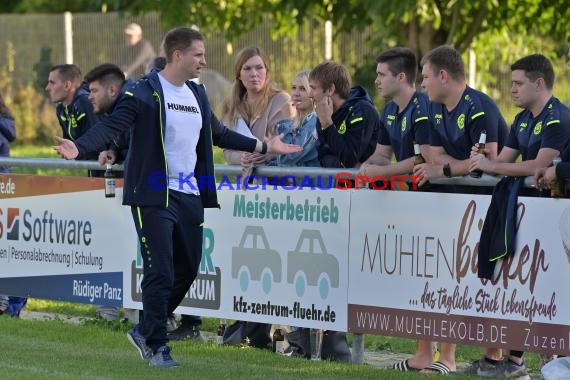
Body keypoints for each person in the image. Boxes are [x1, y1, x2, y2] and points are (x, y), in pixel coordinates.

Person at [54, 26, 301, 368]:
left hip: (189, 194)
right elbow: (113, 126)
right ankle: (157, 345)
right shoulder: (144, 91)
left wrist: (263, 146)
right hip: (153, 194)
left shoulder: (197, 93)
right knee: (162, 271)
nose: (204, 60)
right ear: (177, 56)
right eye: (198, 54)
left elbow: (218, 133)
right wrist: (79, 146)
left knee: (188, 267)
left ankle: (145, 328)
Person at [411, 45, 508, 376]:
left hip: (488, 207)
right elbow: (434, 156)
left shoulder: (479, 108)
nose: (421, 84)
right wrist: (455, 166)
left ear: (443, 76)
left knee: (487, 280)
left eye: (425, 77)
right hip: (453, 203)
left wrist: (448, 169)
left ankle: (496, 357)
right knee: (449, 279)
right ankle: (452, 356)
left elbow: (486, 163)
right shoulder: (436, 108)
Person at [471, 55, 570, 380]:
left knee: (551, 291)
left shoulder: (557, 118)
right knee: (525, 288)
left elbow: (534, 166)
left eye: (517, 83)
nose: (511, 89)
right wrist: (485, 159)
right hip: (528, 212)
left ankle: (547, 360)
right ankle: (517, 360)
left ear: (539, 83)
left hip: (554, 216)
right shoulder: (522, 119)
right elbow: (504, 161)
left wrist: (492, 166)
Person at [358, 47, 431, 187]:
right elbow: (382, 154)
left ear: (401, 77)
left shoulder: (422, 107)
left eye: (382, 75)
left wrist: (382, 172)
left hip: (437, 194)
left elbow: (425, 157)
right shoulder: (389, 109)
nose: (376, 81)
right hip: (412, 192)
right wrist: (367, 166)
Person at [222, 45, 294, 180]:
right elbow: (227, 151)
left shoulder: (282, 100)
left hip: (277, 184)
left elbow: (291, 141)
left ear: (267, 71)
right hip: (244, 187)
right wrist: (241, 158)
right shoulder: (231, 106)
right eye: (247, 68)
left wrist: (266, 153)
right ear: (239, 74)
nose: (254, 73)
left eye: (259, 67)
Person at [309, 61, 378, 171]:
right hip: (336, 184)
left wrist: (327, 123)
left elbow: (349, 159)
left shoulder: (362, 111)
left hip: (367, 186)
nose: (310, 95)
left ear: (330, 89)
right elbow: (323, 157)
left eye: (313, 88)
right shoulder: (324, 112)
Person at [45, 64, 102, 176]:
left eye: (52, 83)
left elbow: (100, 144)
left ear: (67, 85)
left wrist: (78, 150)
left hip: (112, 167)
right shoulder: (61, 108)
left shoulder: (85, 102)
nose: (47, 88)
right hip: (94, 166)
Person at [0, 92, 26, 318]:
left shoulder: (4, 122)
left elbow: (9, 136)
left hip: (4, 189)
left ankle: (8, 302)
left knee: (5, 249)